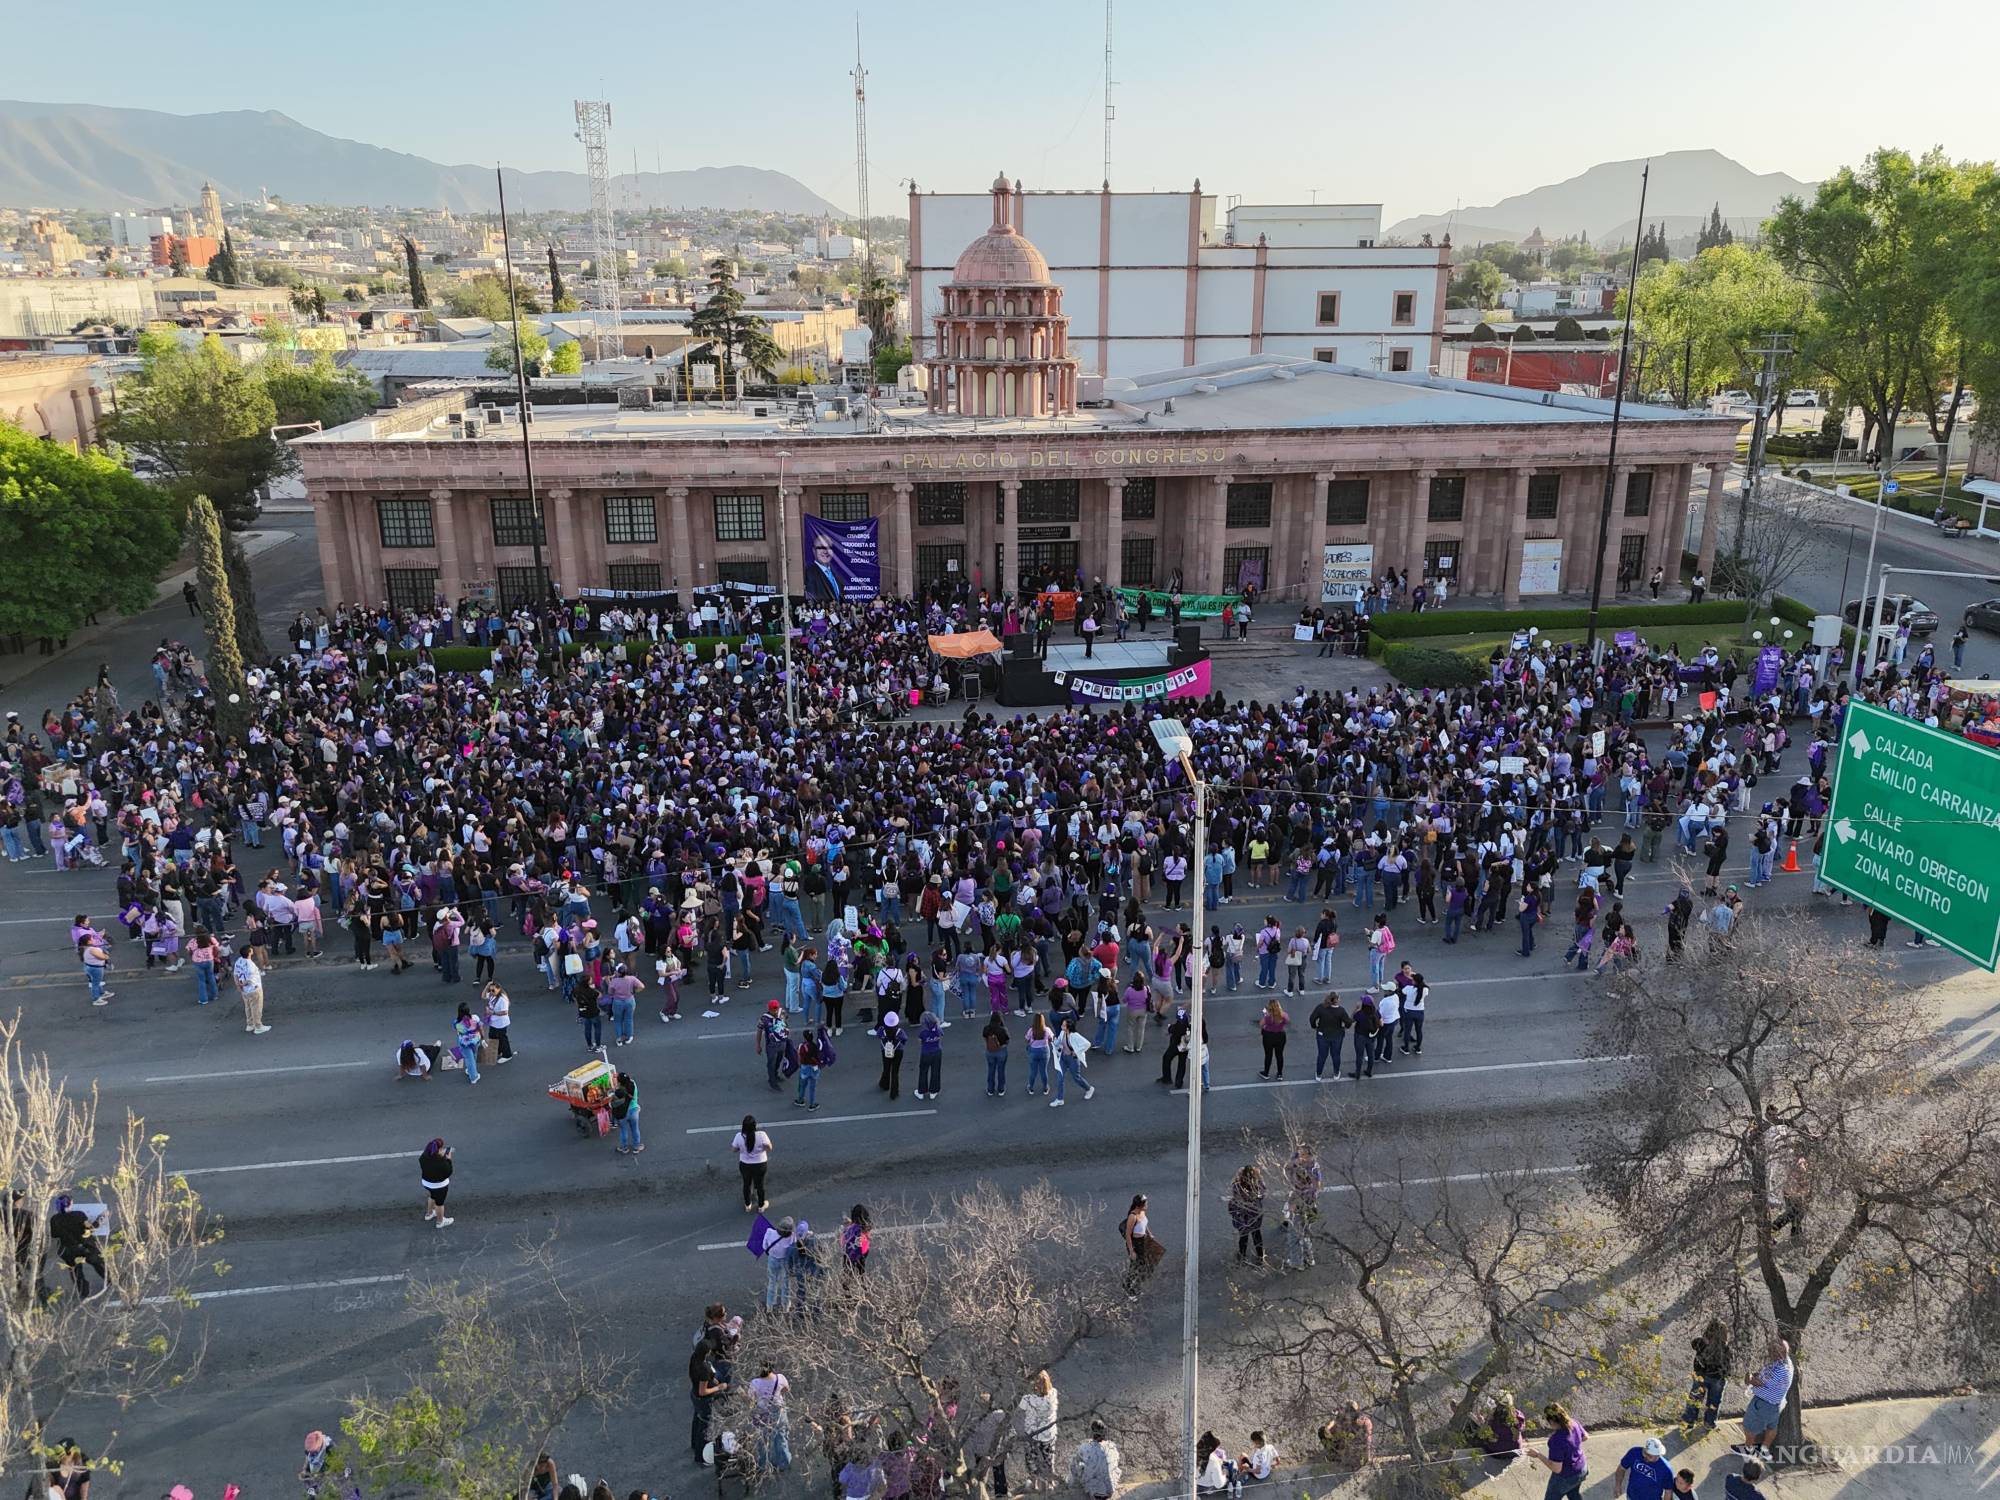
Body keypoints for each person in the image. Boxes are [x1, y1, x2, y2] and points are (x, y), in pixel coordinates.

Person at [1736, 1337, 1792, 1459]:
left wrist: (1749, 1377)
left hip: (1763, 1405)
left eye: (1772, 1350)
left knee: (1749, 1426)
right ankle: (1764, 1450)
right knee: (1771, 1427)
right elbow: (1765, 1378)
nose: (1769, 1353)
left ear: (1778, 1352)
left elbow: (1758, 1382)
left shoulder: (1779, 1370)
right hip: (1774, 1405)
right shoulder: (1786, 1364)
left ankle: (1748, 1449)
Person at [47, 1195, 105, 1299]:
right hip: (85, 1247)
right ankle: (110, 1279)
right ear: (70, 1204)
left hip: (67, 1250)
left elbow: (54, 1235)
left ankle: (83, 1292)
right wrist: (102, 1217)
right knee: (98, 1263)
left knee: (76, 1271)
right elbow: (90, 1228)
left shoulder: (54, 1219)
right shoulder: (79, 1215)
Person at [689, 1330, 729, 1464]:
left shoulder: (694, 1359)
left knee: (697, 1421)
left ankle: (694, 1445)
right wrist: (719, 1387)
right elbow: (703, 1391)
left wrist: (712, 1379)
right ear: (707, 1352)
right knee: (705, 1428)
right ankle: (701, 1457)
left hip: (694, 1395)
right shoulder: (704, 1369)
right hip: (703, 1400)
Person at [1683, 1318, 1730, 1428]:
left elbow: (1693, 1344)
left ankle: (1689, 1420)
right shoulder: (1724, 1347)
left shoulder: (1702, 1342)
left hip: (1701, 1375)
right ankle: (1709, 1422)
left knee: (1695, 1398)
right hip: (1717, 1377)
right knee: (1714, 1401)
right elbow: (1727, 1363)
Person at [1535, 1403, 1588, 1500]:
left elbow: (1556, 1469)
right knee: (1573, 1494)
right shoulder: (1573, 1422)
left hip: (1565, 1477)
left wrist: (1538, 1455)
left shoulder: (1556, 1440)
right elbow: (1585, 1437)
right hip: (1582, 1469)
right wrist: (1573, 1446)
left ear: (1551, 1421)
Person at [1017, 1370, 1059, 1489]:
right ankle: (1049, 1483)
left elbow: (1021, 1407)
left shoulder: (1028, 1399)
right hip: (1048, 1434)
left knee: (1032, 1460)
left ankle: (1035, 1484)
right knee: (1048, 1459)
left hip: (1032, 1435)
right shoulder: (1053, 1394)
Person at [1120, 1194, 1161, 1298]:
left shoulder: (1142, 1212)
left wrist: (1149, 1234)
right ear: (1139, 1205)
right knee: (1135, 1266)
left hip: (1144, 1240)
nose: (1147, 1205)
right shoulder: (1132, 1216)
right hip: (1136, 1243)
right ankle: (1129, 1287)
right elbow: (1128, 1235)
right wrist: (1132, 1251)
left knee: (1152, 1259)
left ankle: (1136, 1285)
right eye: (1145, 1203)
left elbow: (1144, 1223)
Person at [729, 1115, 772, 1212]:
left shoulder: (739, 1136)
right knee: (760, 1185)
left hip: (745, 1164)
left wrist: (742, 1149)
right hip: (760, 1164)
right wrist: (761, 1150)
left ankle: (747, 1205)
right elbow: (769, 1147)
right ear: (755, 1126)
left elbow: (734, 1149)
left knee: (746, 1184)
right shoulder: (761, 1135)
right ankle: (761, 1206)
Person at [1613, 1435, 1676, 1500]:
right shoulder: (1634, 1452)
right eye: (1645, 1453)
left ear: (1658, 1455)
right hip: (1631, 1497)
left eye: (1649, 1456)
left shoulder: (1666, 1469)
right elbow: (1621, 1468)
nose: (1645, 1456)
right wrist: (1618, 1485)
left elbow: (1668, 1491)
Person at [1070, 1420, 1121, 1500]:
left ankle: (1072, 1487)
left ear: (1092, 1432)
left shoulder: (1085, 1447)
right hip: (1109, 1490)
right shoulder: (1112, 1447)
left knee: (1077, 1462)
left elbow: (1074, 1467)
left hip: (1094, 1491)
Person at [1228, 1165, 1265, 1264]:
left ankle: (1242, 1256)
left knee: (1243, 1236)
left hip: (1243, 1216)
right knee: (1256, 1234)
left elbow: (1235, 1198)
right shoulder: (1257, 1185)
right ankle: (1260, 1256)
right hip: (1255, 1214)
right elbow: (1263, 1192)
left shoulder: (1237, 1186)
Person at [1318, 1402, 1372, 1469]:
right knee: (1322, 1431)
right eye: (1347, 1410)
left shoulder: (1364, 1421)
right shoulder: (1345, 1418)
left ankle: (1344, 1457)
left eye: (1351, 1410)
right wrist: (1328, 1428)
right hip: (1344, 1444)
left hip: (1355, 1450)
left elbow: (1367, 1440)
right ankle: (1335, 1456)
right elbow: (1334, 1421)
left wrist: (1367, 1456)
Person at [232, 942, 270, 1035]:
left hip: (244, 991)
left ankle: (250, 1024)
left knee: (248, 1007)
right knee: (256, 1007)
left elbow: (235, 974)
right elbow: (250, 980)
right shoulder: (251, 965)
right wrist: (243, 984)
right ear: (249, 953)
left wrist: (238, 985)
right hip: (254, 989)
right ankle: (258, 1026)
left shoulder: (239, 961)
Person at [419, 1137, 454, 1229]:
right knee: (439, 1203)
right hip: (439, 1186)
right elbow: (448, 1172)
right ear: (438, 1149)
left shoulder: (423, 1157)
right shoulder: (442, 1162)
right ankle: (440, 1222)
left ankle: (429, 1214)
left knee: (432, 1196)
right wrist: (449, 1160)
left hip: (426, 1183)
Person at [611, 1070, 643, 1154]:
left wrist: (615, 1084)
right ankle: (636, 1147)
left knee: (623, 1131)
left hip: (623, 1113)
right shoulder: (633, 1084)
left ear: (620, 1082)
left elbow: (614, 1098)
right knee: (635, 1129)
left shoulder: (619, 1091)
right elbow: (627, 1080)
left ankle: (624, 1148)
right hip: (634, 1111)